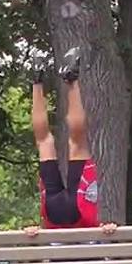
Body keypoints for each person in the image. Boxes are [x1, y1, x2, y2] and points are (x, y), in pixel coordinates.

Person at [24, 47, 117, 237]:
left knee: (77, 142)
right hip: (55, 214)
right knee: (44, 142)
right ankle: (37, 81)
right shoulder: (78, 260)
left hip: (79, 213)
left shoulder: (82, 259)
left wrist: (106, 230)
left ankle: (71, 80)